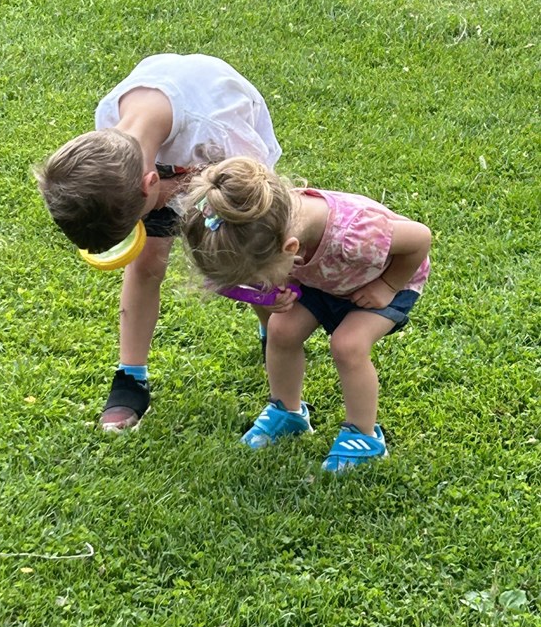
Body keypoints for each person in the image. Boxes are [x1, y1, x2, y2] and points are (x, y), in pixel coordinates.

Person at [35, 54, 282, 431]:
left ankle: (273, 338)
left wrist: (190, 192)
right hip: (164, 163)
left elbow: (253, 187)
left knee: (249, 255)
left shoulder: (217, 129)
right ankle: (130, 376)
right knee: (147, 260)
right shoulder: (109, 132)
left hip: (231, 164)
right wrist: (164, 197)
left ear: (149, 185)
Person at [183, 157, 431, 473]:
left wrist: (387, 285)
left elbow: (420, 239)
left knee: (348, 345)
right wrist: (283, 284)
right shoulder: (269, 223)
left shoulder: (355, 235)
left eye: (260, 278)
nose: (262, 286)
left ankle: (365, 438)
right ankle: (287, 412)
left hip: (386, 277)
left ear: (291, 248)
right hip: (326, 277)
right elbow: (283, 267)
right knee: (282, 329)